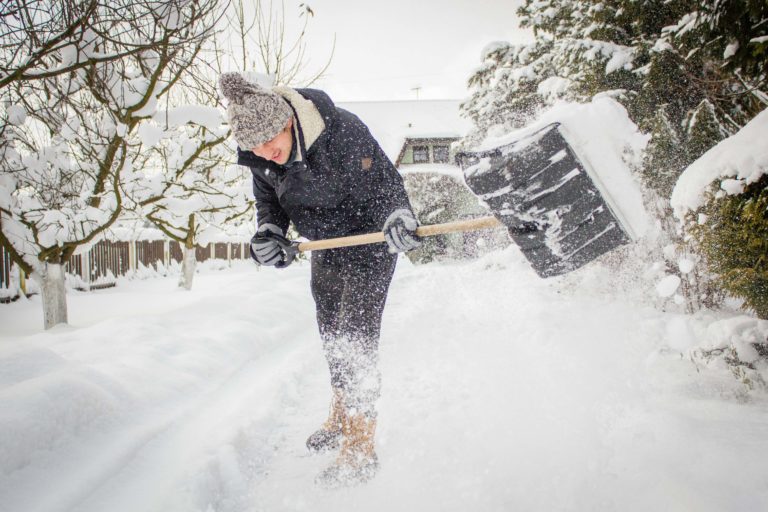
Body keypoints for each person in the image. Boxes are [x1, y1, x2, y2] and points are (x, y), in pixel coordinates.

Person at [219, 72, 421, 487]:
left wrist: (398, 215)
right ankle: (341, 412)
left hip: (369, 241)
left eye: (269, 141)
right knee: (331, 333)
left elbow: (385, 183)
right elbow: (269, 204)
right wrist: (270, 234)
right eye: (253, 147)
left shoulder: (340, 130)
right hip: (325, 246)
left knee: (355, 336)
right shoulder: (263, 158)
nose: (264, 153)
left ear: (287, 120)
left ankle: (360, 446)